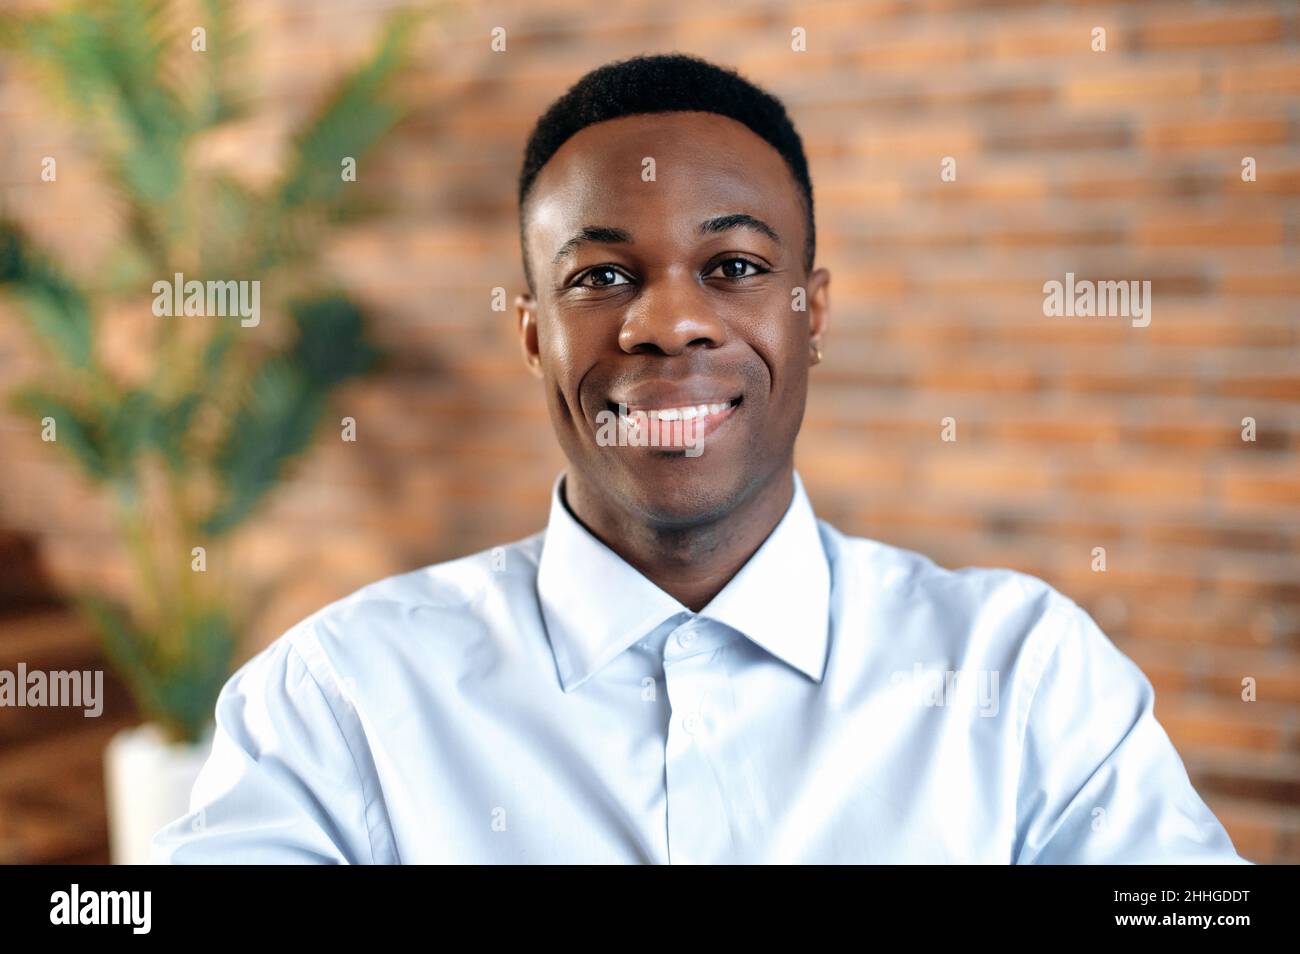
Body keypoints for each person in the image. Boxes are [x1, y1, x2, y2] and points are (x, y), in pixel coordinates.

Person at [152, 53, 1248, 864]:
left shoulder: (1027, 677)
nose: (668, 323)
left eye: (731, 263)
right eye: (599, 278)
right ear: (531, 330)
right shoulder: (339, 699)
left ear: (811, 313)